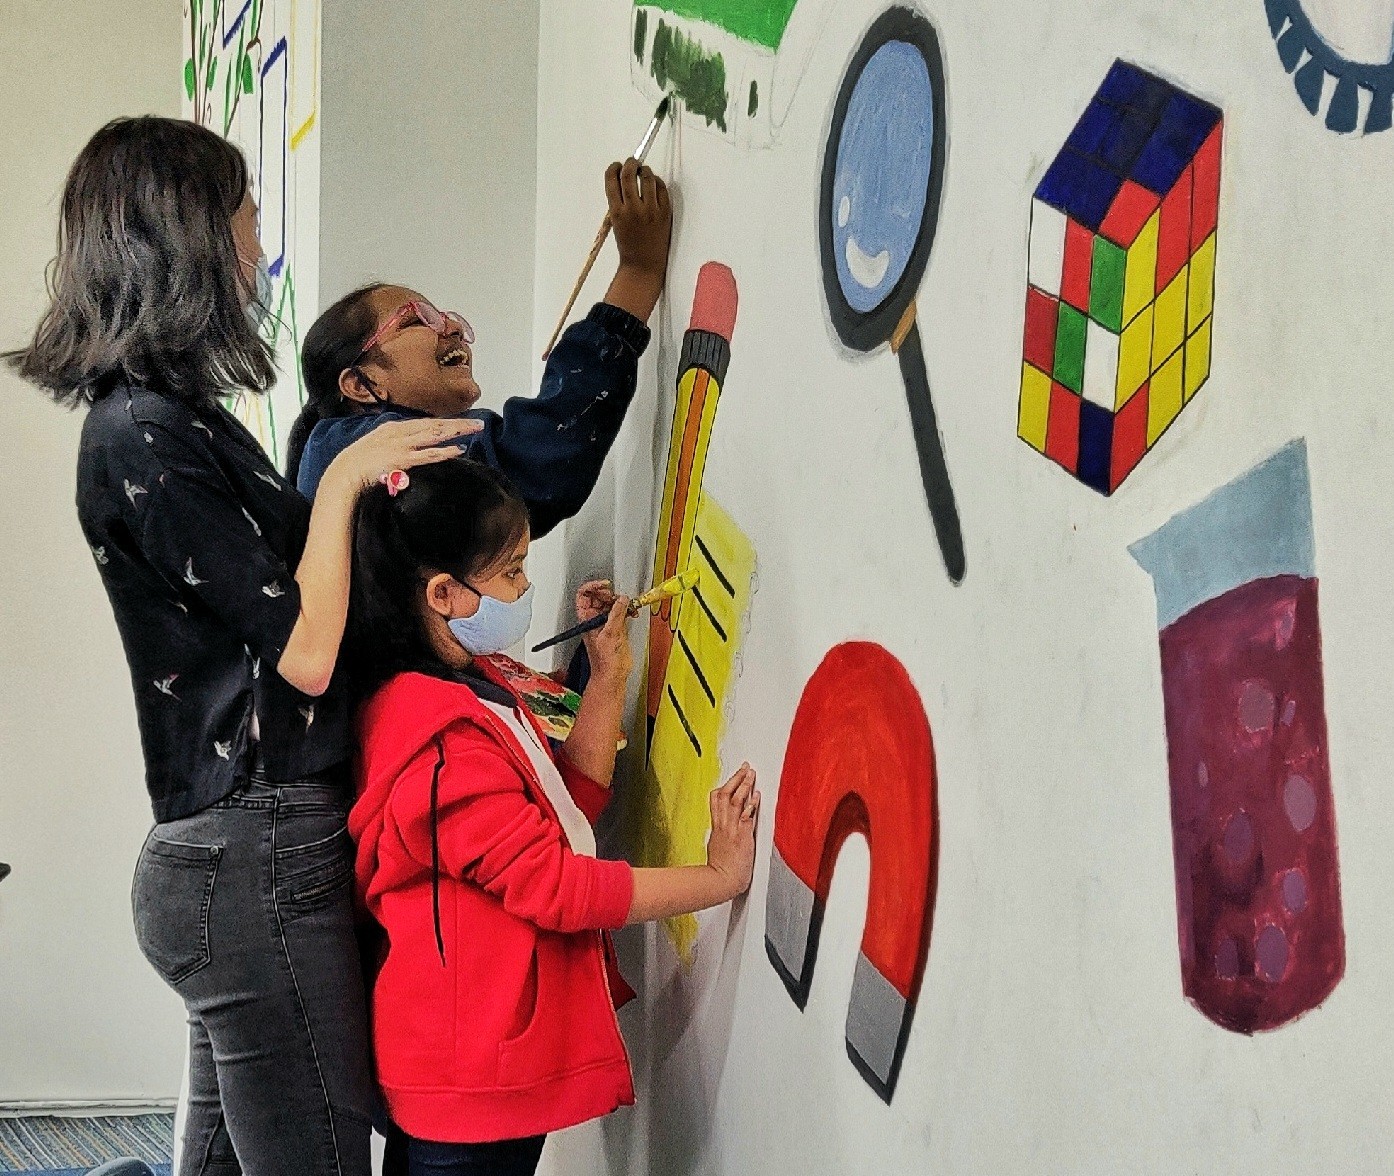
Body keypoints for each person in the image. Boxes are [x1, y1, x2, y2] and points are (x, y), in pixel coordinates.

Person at [5, 115, 479, 1176]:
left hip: (242, 857)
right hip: (252, 854)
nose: (260, 243)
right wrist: (347, 477)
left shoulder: (180, 416)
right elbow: (304, 655)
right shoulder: (142, 432)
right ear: (185, 235)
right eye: (246, 215)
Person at [344, 460, 759, 1176]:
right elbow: (560, 887)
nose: (526, 591)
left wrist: (609, 673)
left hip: (481, 1076)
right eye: (510, 573)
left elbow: (567, 808)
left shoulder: (468, 687)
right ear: (444, 594)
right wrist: (717, 878)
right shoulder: (440, 740)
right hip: (470, 1088)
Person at [286, 158, 672, 536]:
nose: (452, 326)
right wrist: (637, 274)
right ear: (360, 383)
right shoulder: (351, 449)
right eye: (418, 319)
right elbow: (526, 463)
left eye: (445, 316)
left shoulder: (341, 449)